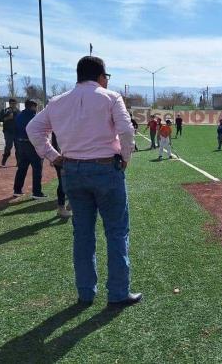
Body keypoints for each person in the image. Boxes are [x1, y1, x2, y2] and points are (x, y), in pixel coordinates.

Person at [26, 55, 141, 307]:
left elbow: (34, 129)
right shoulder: (110, 98)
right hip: (105, 169)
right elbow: (126, 129)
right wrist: (125, 157)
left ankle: (86, 292)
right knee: (116, 232)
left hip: (73, 171)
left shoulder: (57, 102)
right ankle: (118, 292)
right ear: (101, 76)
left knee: (83, 234)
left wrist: (54, 156)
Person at [13, 99, 46, 199]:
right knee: (37, 169)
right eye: (36, 107)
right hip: (32, 145)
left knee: (22, 168)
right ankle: (36, 192)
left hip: (21, 144)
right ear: (33, 106)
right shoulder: (34, 117)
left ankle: (17, 190)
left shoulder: (18, 116)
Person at [52, 134, 71, 218]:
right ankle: (61, 207)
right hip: (61, 158)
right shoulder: (59, 122)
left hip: (75, 157)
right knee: (62, 182)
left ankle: (72, 201)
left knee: (74, 179)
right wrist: (53, 156)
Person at [0, 98, 20, 167]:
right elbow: (0, 119)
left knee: (18, 147)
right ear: (9, 103)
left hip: (17, 132)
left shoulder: (18, 111)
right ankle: (4, 160)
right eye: (12, 103)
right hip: (8, 132)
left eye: (14, 103)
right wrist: (8, 118)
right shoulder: (5, 110)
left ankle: (18, 162)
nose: (13, 105)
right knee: (9, 146)